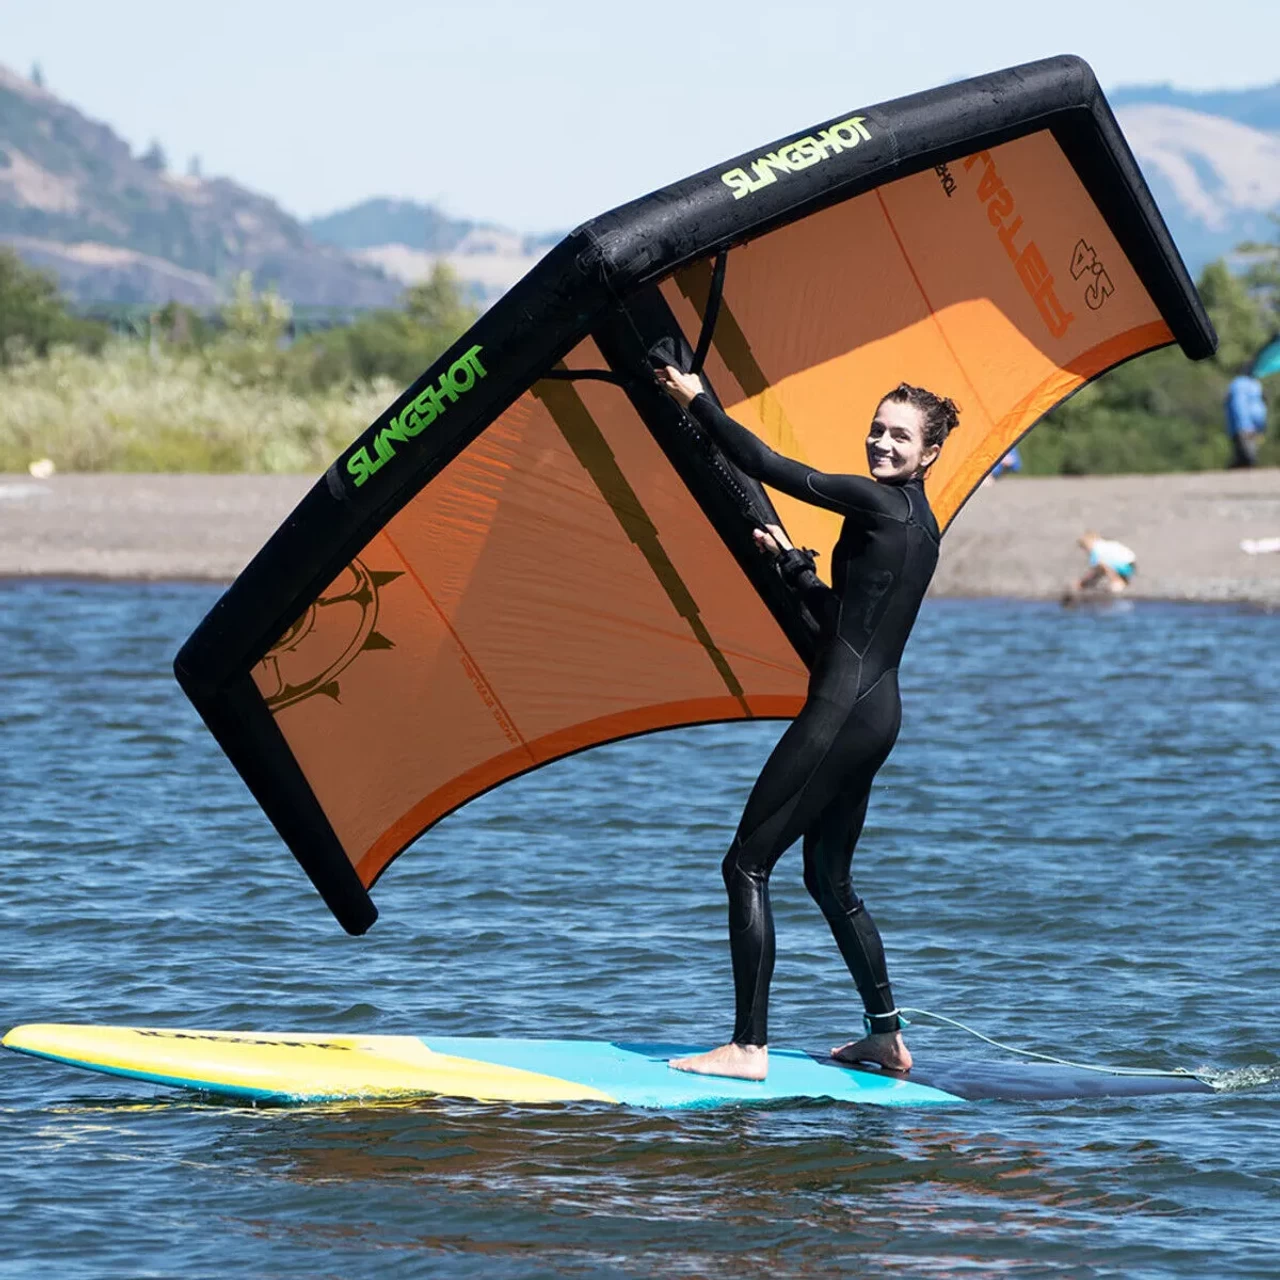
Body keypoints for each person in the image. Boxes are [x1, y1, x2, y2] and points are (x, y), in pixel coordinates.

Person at [653, 365, 958, 1081]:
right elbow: (855, 624)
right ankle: (885, 1038)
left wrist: (698, 402)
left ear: (929, 452)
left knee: (745, 864)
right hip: (876, 713)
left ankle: (747, 1047)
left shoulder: (877, 502)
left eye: (900, 435)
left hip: (841, 711)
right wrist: (796, 570)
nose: (882, 443)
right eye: (877, 429)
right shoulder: (921, 524)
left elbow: (767, 465)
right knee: (828, 877)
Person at [1224, 371, 1267, 469]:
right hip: (1247, 427)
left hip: (1249, 427)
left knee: (1246, 458)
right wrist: (1245, 426)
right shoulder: (1243, 384)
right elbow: (1240, 406)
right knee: (1247, 457)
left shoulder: (1250, 384)